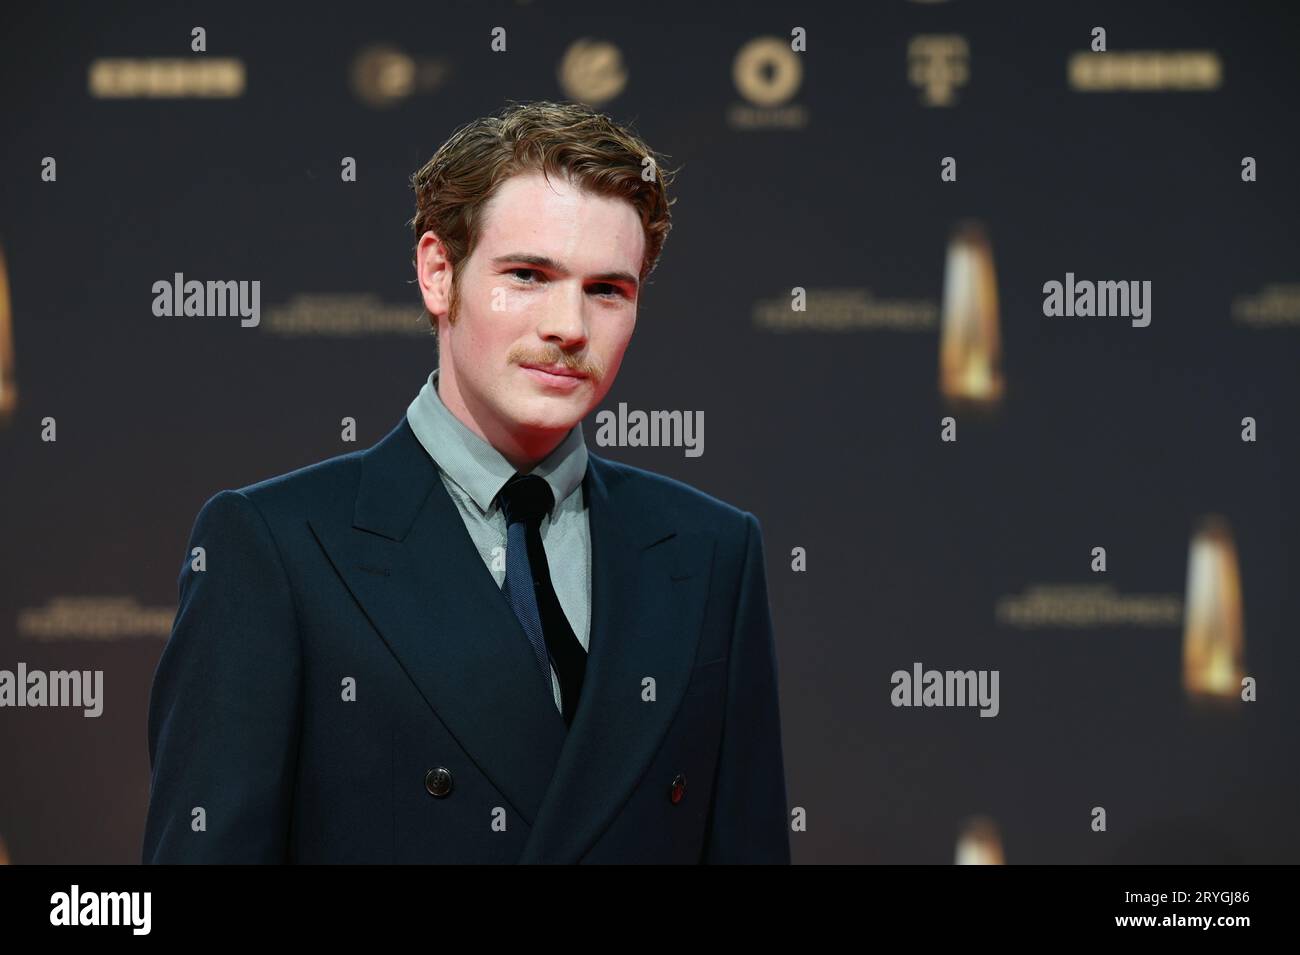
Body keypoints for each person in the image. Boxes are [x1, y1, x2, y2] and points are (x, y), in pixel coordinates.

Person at [143, 100, 790, 864]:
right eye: (528, 275)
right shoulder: (275, 548)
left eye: (607, 290)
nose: (570, 327)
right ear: (437, 274)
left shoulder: (711, 552)